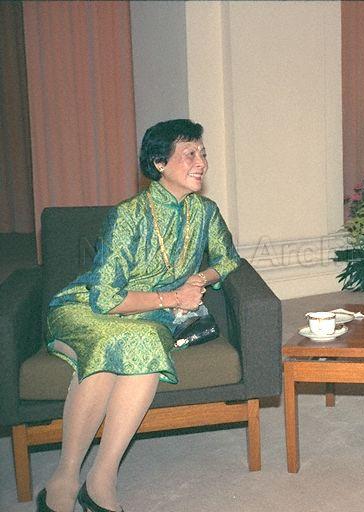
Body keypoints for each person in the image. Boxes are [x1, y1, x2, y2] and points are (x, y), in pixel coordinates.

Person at [38, 119, 241, 512]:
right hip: (88, 309)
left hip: (148, 321)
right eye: (189, 154)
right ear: (159, 164)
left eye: (202, 153)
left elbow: (228, 260)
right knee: (118, 341)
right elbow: (107, 298)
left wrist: (200, 277)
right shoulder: (128, 214)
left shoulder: (205, 211)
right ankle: (65, 476)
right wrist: (172, 297)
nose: (201, 162)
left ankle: (102, 477)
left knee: (143, 341)